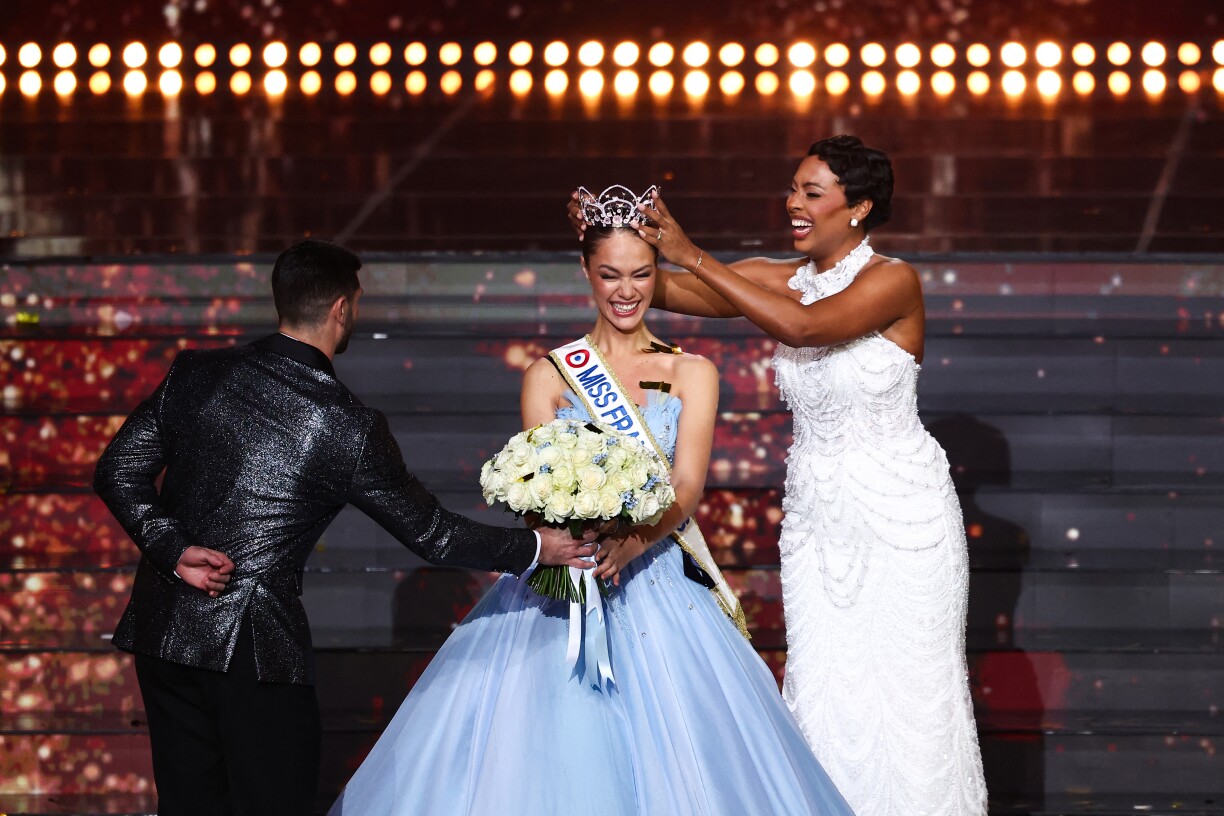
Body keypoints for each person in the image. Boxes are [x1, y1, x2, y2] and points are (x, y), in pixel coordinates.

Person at [327, 188, 854, 815]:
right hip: (563, 581)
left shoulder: (693, 372)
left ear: (657, 276)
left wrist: (631, 543)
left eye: (640, 274)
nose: (625, 291)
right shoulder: (549, 374)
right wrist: (570, 529)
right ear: (586, 272)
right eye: (609, 274)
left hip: (657, 577)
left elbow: (686, 488)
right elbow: (533, 489)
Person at [93, 239, 598, 816]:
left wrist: (174, 547)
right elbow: (431, 533)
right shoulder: (346, 424)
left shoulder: (195, 372)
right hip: (255, 651)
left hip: (166, 630)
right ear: (341, 309)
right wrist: (538, 545)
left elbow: (117, 470)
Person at [568, 136, 989, 815]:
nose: (792, 202)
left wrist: (695, 252)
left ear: (859, 208)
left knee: (909, 689)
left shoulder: (892, 279)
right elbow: (665, 288)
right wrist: (609, 248)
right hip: (820, 521)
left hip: (902, 520)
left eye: (811, 192)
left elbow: (804, 328)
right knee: (824, 684)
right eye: (793, 188)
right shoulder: (781, 276)